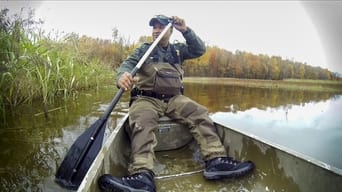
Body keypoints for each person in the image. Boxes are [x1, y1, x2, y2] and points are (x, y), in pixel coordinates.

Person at [98, 15, 254, 192]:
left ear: (170, 31)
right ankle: (142, 174)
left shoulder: (179, 51)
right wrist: (122, 77)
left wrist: (185, 30)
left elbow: (199, 49)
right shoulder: (144, 50)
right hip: (146, 98)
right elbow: (126, 66)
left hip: (174, 99)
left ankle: (215, 160)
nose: (156, 30)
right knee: (142, 121)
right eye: (154, 27)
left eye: (160, 27)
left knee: (199, 113)